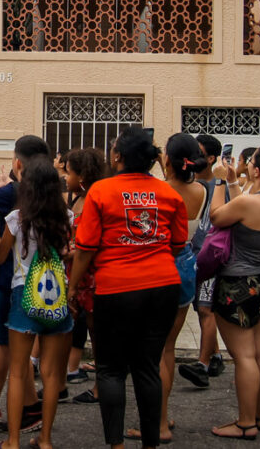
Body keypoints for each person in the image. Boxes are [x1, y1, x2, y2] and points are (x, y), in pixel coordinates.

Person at [68, 128, 186, 449]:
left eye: (113, 149)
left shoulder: (101, 191)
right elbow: (177, 245)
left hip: (116, 289)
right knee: (147, 368)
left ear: (118, 156)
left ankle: (116, 445)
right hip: (163, 287)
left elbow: (86, 247)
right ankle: (150, 444)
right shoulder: (170, 194)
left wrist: (72, 287)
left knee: (111, 370)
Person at [207, 143, 260, 440]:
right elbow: (245, 203)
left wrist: (218, 181)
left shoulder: (250, 203)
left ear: (256, 169)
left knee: (243, 356)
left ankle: (245, 423)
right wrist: (232, 182)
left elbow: (217, 216)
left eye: (251, 160)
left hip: (240, 283)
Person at [0, 157, 74, 449]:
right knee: (52, 374)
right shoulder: (67, 217)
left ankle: (12, 441)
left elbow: (0, 256)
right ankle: (45, 440)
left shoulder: (17, 218)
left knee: (17, 371)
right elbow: (70, 253)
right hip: (57, 299)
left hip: (22, 297)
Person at [0, 136, 50, 432]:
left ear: (18, 163)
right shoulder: (51, 196)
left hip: (10, 281)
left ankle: (28, 409)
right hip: (41, 284)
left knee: (9, 346)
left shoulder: (8, 197)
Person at [156, 134, 209, 445]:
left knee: (155, 351)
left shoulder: (161, 191)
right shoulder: (201, 191)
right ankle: (163, 412)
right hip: (187, 265)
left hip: (160, 266)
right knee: (169, 348)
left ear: (167, 161)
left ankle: (159, 422)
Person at [177, 136, 230, 389]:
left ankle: (202, 364)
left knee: (206, 310)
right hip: (189, 255)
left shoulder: (220, 186)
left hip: (208, 257)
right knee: (202, 309)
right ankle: (215, 355)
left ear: (211, 158)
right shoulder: (190, 184)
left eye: (199, 153)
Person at [61, 147, 108, 405]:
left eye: (68, 173)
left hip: (89, 277)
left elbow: (90, 242)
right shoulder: (81, 197)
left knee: (96, 333)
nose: (65, 178)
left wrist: (72, 252)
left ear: (80, 176)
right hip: (79, 274)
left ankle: (102, 386)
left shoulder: (92, 199)